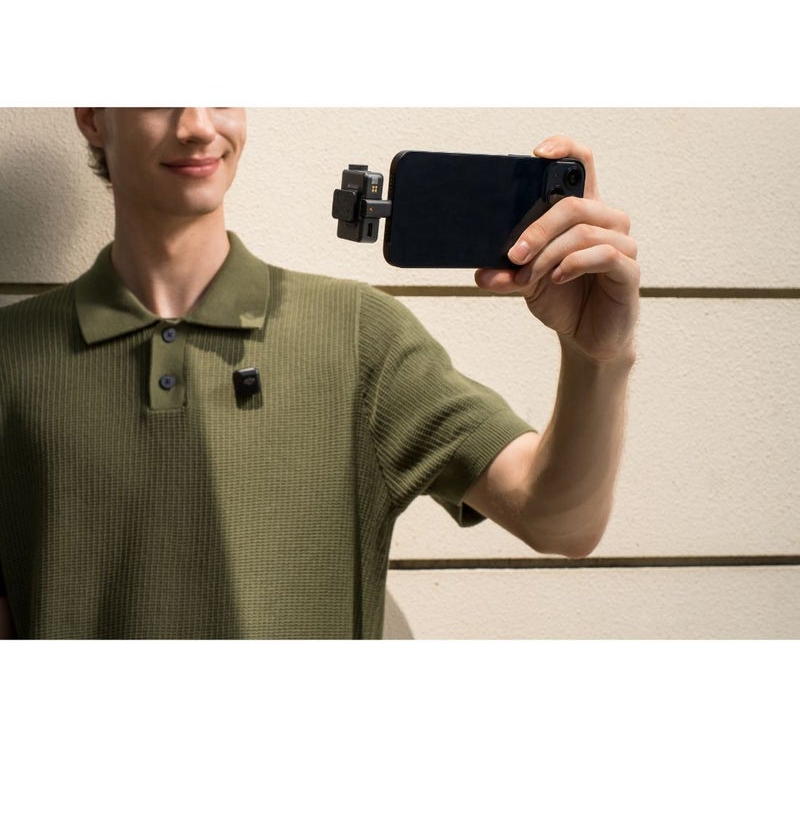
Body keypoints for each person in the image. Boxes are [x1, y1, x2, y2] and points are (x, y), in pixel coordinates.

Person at [0, 108, 639, 639]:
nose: (196, 126)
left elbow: (559, 521)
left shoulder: (359, 334)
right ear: (92, 115)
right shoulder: (10, 357)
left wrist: (596, 358)